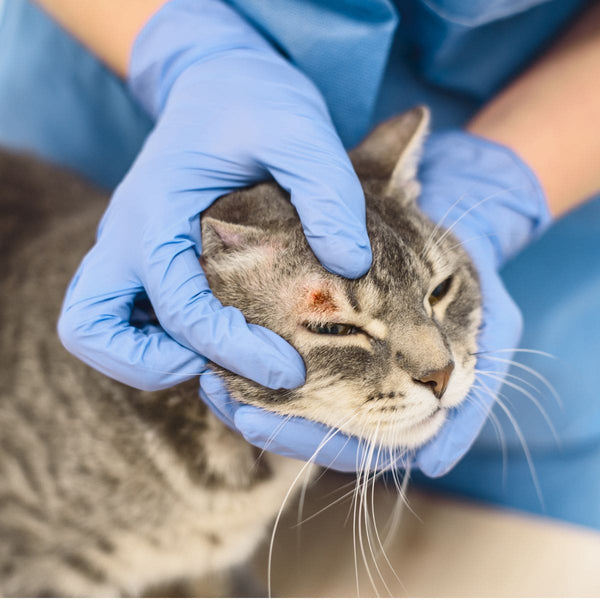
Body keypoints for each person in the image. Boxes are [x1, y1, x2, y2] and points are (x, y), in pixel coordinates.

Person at [1, 0, 599, 527]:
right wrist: (181, 44)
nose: (435, 368)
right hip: (110, 65)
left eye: (440, 290)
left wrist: (509, 176)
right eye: (338, 324)